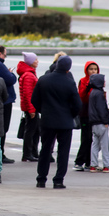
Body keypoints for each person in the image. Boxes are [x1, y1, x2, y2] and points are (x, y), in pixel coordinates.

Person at [31, 56, 82, 189]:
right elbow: (77, 104)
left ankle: (41, 179)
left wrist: (43, 110)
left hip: (47, 120)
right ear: (68, 68)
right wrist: (71, 114)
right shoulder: (69, 82)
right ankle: (58, 180)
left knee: (45, 150)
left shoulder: (43, 79)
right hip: (65, 122)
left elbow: (34, 100)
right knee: (63, 151)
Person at [73, 60, 99, 172]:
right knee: (86, 138)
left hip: (95, 114)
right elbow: (81, 97)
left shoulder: (99, 80)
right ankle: (79, 161)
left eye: (95, 69)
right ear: (86, 70)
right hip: (85, 113)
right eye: (91, 69)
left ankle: (89, 162)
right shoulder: (83, 81)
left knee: (94, 139)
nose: (93, 71)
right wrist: (89, 86)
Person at [17, 52, 40, 162]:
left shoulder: (29, 73)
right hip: (31, 108)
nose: (37, 61)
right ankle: (27, 153)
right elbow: (28, 94)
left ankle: (32, 152)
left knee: (34, 130)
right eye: (35, 60)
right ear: (31, 62)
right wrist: (31, 110)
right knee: (30, 131)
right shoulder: (29, 75)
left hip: (31, 107)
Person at [88, 74, 109, 173]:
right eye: (103, 81)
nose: (105, 82)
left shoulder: (92, 92)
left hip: (94, 123)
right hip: (101, 122)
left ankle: (93, 165)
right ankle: (106, 166)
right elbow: (101, 109)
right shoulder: (99, 93)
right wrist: (106, 121)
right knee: (105, 145)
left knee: (95, 144)